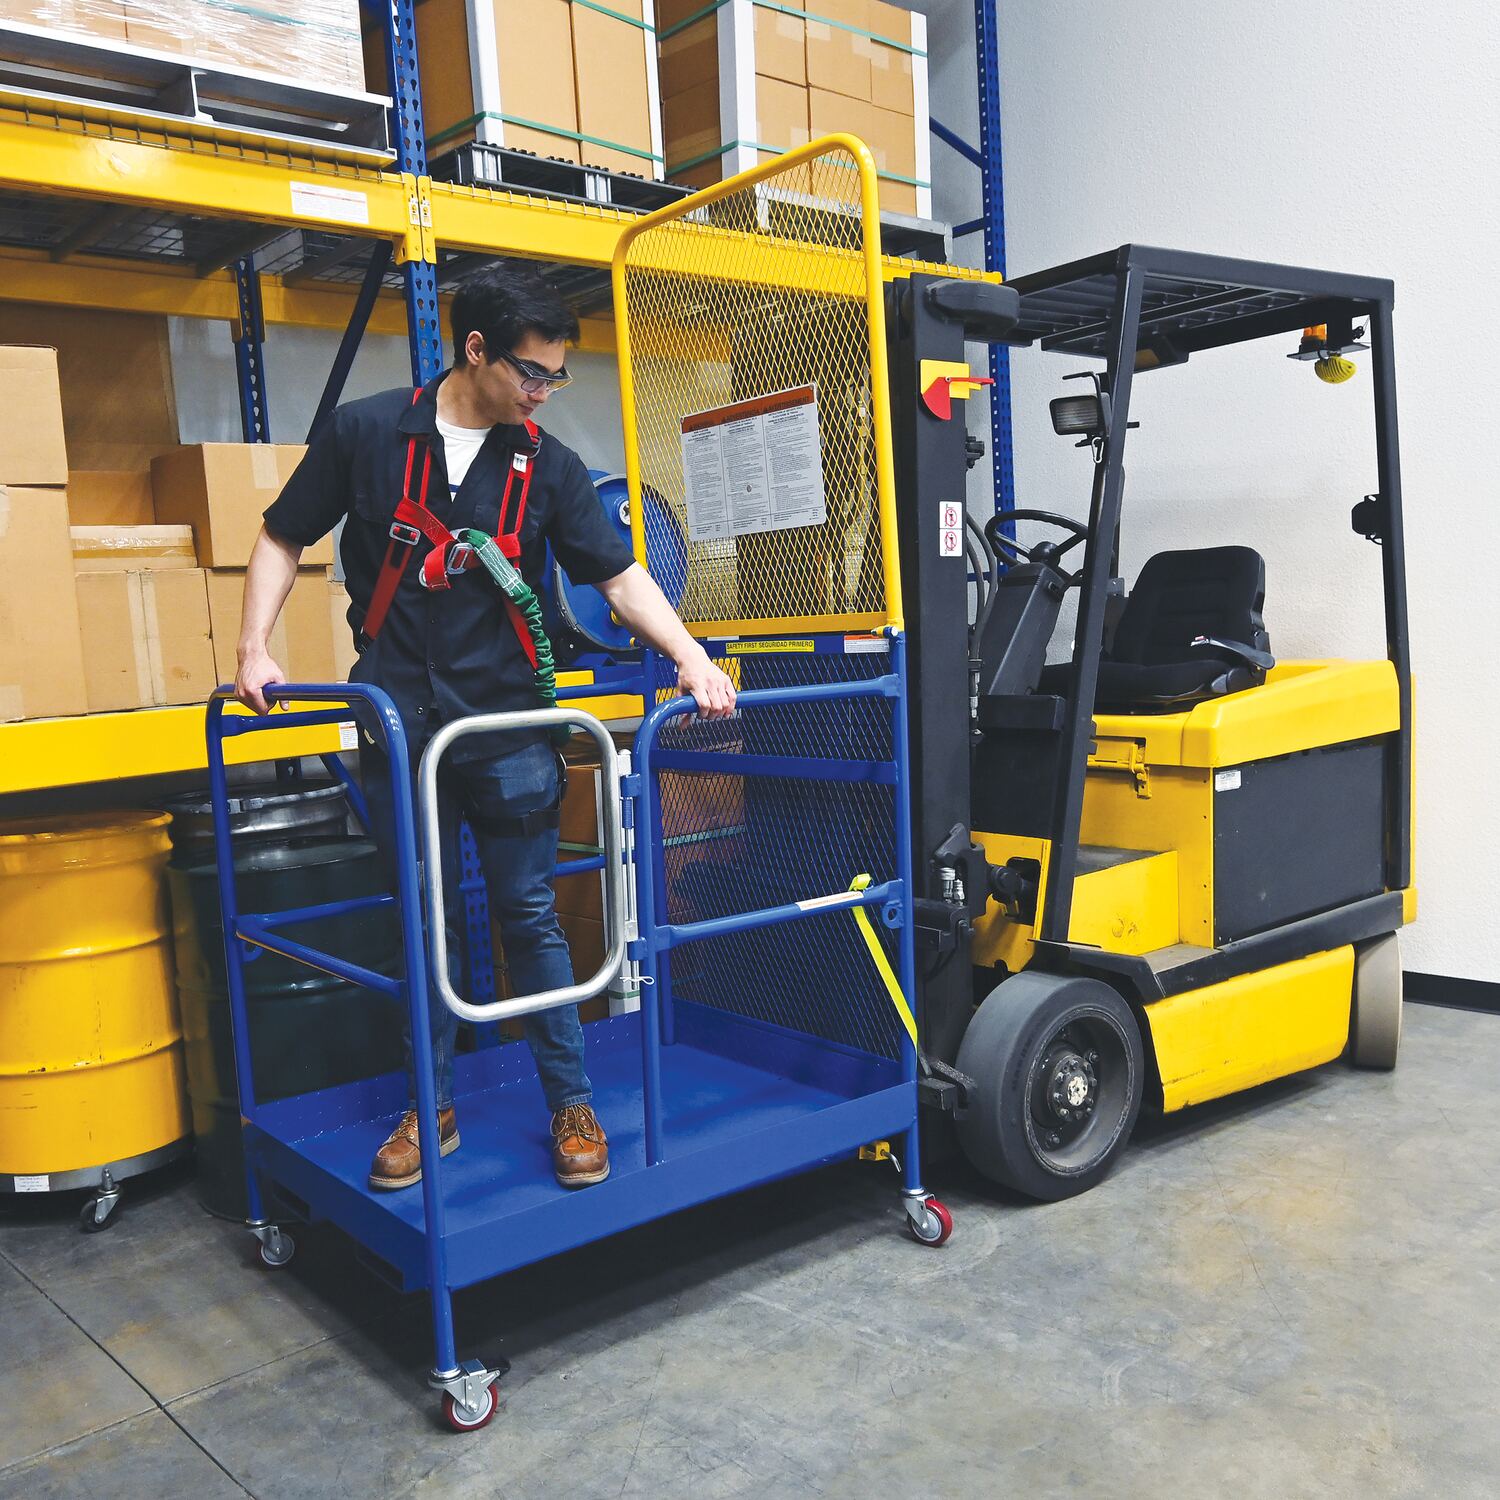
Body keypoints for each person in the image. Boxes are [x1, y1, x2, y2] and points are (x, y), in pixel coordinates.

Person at [234, 264, 735, 1192]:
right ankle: (431, 1107)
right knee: (424, 920)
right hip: (400, 724)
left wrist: (690, 656)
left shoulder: (549, 467)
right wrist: (253, 648)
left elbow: (619, 575)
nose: (543, 392)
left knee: (530, 914)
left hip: (506, 727)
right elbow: (282, 533)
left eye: (555, 376)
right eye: (531, 373)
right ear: (475, 350)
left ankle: (570, 1103)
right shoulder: (367, 433)